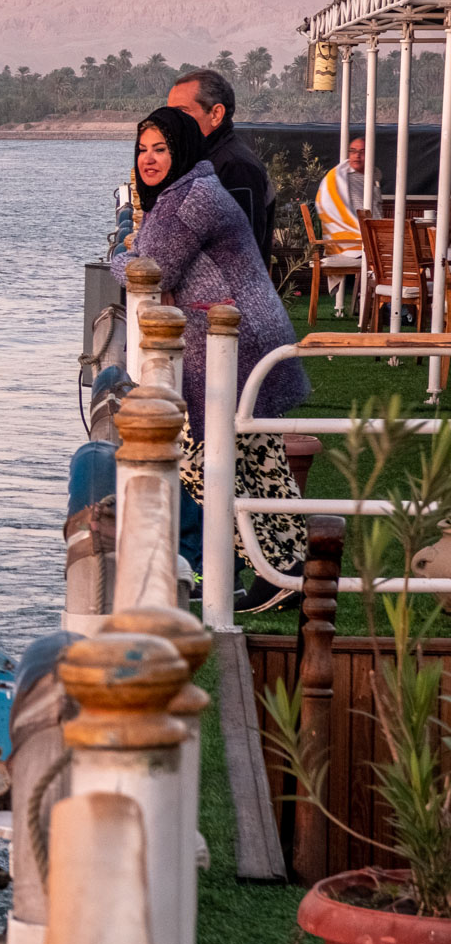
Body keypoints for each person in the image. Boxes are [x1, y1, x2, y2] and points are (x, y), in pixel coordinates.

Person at [112, 106, 310, 610]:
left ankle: (274, 568)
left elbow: (150, 268)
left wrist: (119, 255)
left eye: (160, 149)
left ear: (181, 150)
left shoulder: (186, 200)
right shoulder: (195, 187)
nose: (149, 159)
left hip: (231, 346)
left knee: (199, 457)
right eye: (142, 150)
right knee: (257, 459)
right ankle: (288, 572)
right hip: (247, 336)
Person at [167, 69, 275, 262]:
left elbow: (241, 252)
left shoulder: (236, 167)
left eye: (182, 112)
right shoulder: (201, 159)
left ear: (216, 114)